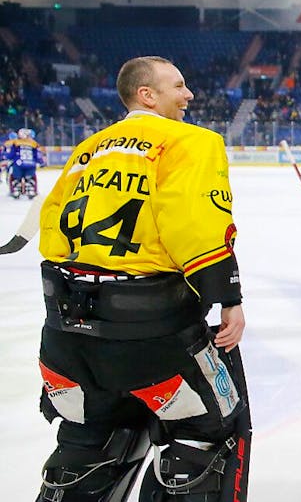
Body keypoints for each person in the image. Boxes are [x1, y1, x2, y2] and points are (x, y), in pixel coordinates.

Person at [35, 56, 251, 501]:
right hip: (154, 340)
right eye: (179, 85)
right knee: (211, 434)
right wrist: (227, 295)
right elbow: (194, 225)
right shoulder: (191, 142)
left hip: (66, 341)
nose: (188, 94)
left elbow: (52, 227)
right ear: (146, 94)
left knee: (88, 440)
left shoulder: (88, 148)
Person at [5, 127, 45, 198]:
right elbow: (37, 155)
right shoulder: (34, 143)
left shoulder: (16, 143)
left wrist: (7, 157)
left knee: (13, 177)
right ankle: (32, 189)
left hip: (18, 165)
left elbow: (11, 155)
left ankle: (15, 190)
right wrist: (41, 162)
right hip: (31, 165)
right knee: (32, 177)